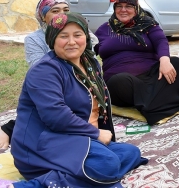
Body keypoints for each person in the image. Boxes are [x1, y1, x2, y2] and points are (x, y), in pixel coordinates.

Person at [10, 12, 147, 188]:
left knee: (131, 153)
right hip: (41, 145)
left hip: (76, 138)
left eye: (77, 35)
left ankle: (87, 176)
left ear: (86, 37)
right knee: (107, 164)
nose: (72, 42)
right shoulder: (44, 70)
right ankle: (39, 184)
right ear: (52, 39)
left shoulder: (90, 63)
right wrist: (96, 134)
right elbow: (56, 116)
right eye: (63, 36)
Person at [95, 0, 179, 125]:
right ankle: (164, 99)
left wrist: (164, 60)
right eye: (119, 6)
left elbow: (161, 41)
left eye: (129, 6)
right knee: (120, 80)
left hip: (153, 77)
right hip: (124, 85)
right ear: (114, 8)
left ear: (136, 8)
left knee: (174, 62)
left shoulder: (148, 24)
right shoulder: (103, 30)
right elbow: (89, 51)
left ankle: (151, 103)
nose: (123, 10)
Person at [0, 0, 73, 149]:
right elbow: (40, 72)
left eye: (66, 10)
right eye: (55, 10)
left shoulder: (78, 32)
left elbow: (90, 53)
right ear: (43, 16)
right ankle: (10, 128)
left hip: (73, 82)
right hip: (49, 85)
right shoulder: (34, 39)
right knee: (51, 108)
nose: (62, 15)